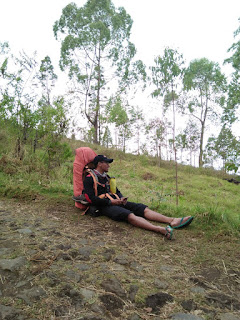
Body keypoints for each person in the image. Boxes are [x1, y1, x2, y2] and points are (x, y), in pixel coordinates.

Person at [83, 155, 194, 240]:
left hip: (116, 202)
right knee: (129, 215)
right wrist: (110, 203)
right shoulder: (89, 178)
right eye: (107, 163)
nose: (109, 165)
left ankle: (173, 220)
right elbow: (90, 198)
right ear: (100, 164)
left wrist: (121, 199)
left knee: (142, 208)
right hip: (104, 206)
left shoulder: (107, 178)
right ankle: (160, 230)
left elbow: (116, 191)